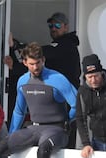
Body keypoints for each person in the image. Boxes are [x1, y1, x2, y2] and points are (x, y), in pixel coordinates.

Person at [42, 12, 81, 149]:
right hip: (57, 98)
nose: (53, 28)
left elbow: (45, 52)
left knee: (66, 134)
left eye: (57, 25)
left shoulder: (66, 45)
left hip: (67, 99)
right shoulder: (59, 45)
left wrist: (17, 47)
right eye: (51, 25)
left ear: (66, 27)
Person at [3, 33, 27, 127]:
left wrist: (13, 46)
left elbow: (26, 67)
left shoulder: (19, 47)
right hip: (0, 90)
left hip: (16, 90)